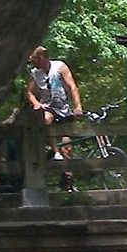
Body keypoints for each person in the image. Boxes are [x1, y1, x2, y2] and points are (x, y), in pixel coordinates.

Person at [27, 47, 83, 190]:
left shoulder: (60, 67)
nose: (32, 62)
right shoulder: (34, 74)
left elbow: (72, 86)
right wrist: (36, 104)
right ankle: (55, 151)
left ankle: (68, 182)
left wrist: (77, 106)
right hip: (47, 107)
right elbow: (30, 93)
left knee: (68, 148)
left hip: (64, 109)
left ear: (41, 57)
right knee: (46, 118)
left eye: (34, 59)